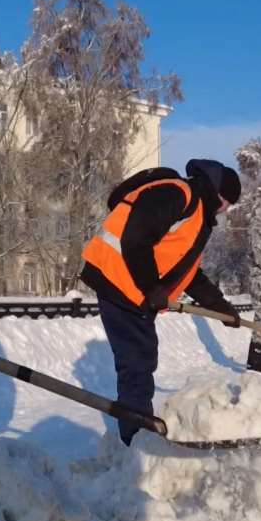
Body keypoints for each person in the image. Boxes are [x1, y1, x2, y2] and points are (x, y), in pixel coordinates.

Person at [80, 159, 242, 446]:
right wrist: (152, 287)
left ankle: (137, 430)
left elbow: (189, 274)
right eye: (225, 205)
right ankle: (136, 438)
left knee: (140, 360)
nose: (224, 212)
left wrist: (221, 308)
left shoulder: (196, 219)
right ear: (218, 196)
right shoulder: (177, 194)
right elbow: (135, 237)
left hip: (132, 288)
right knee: (137, 362)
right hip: (119, 280)